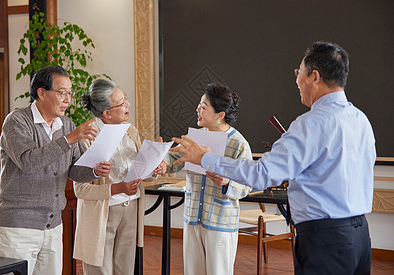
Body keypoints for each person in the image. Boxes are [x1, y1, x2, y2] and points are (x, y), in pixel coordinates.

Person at [170, 41, 376, 275]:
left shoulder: (310, 124)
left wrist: (206, 158)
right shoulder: (361, 120)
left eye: (299, 73)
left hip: (326, 239)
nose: (297, 81)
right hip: (359, 235)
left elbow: (261, 174)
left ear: (314, 77)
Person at [0, 65, 103, 275]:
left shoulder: (67, 125)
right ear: (41, 93)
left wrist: (96, 170)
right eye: (62, 93)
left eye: (70, 93)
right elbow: (28, 161)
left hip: (53, 228)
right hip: (18, 228)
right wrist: (69, 139)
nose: (68, 99)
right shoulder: (16, 121)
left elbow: (75, 171)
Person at [73, 78, 165, 275]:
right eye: (122, 102)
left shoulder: (130, 131)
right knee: (100, 270)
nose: (127, 105)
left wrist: (154, 167)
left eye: (125, 100)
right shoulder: (87, 136)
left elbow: (139, 173)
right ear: (106, 113)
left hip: (132, 207)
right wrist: (117, 188)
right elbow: (80, 189)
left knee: (125, 270)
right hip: (102, 211)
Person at [164, 83, 252, 275]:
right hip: (192, 216)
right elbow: (172, 159)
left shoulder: (239, 144)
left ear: (220, 115)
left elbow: (247, 184)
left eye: (204, 106)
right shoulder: (194, 137)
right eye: (199, 104)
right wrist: (161, 160)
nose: (198, 109)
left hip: (220, 221)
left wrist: (227, 182)